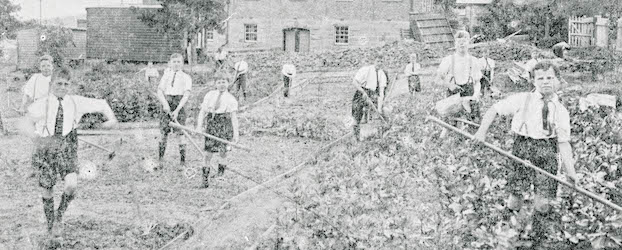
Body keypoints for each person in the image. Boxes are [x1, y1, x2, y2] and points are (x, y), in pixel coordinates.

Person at [473, 61, 577, 248]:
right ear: (533, 81)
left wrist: (571, 172)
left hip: (547, 153)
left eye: (549, 78)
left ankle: (537, 240)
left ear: (557, 80)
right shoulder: (522, 99)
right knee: (515, 198)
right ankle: (506, 234)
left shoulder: (561, 111)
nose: (545, 82)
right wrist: (481, 132)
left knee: (543, 203)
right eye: (540, 78)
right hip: (522, 149)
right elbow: (493, 110)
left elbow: (563, 143)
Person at [17, 67, 118, 237]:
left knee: (71, 184)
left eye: (66, 84)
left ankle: (59, 216)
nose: (62, 87)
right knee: (47, 189)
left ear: (69, 86)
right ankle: (50, 225)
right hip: (46, 147)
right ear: (52, 84)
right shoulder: (41, 104)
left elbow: (102, 104)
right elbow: (23, 124)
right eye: (59, 83)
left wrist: (112, 119)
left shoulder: (75, 101)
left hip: (68, 145)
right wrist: (35, 136)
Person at [435, 30, 483, 135]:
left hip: (469, 96)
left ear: (469, 43)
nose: (462, 43)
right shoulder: (448, 60)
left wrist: (475, 95)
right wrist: (449, 85)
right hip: (453, 97)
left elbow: (477, 82)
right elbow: (438, 79)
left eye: (464, 41)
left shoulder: (473, 61)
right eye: (459, 41)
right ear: (455, 43)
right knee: (449, 127)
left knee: (474, 126)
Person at [196, 72, 239, 188]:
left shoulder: (231, 99)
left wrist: (236, 134)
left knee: (223, 152)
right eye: (219, 82)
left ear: (228, 83)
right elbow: (202, 112)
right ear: (215, 83)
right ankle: (204, 180)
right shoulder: (209, 95)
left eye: (224, 82)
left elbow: (234, 118)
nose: (221, 85)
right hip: (212, 124)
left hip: (225, 125)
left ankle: (220, 175)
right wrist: (199, 126)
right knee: (207, 153)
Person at [156, 53, 192, 170]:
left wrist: (177, 110)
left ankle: (182, 162)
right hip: (166, 102)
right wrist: (165, 105)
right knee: (163, 133)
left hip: (179, 104)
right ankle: (160, 160)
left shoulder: (186, 77)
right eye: (174, 62)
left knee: (180, 133)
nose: (176, 64)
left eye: (178, 62)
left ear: (182, 64)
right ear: (170, 63)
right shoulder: (166, 76)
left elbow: (186, 95)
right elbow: (160, 91)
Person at [351, 56, 388, 141]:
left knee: (379, 113)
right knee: (357, 115)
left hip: (372, 94)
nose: (379, 63)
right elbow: (355, 82)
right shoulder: (366, 70)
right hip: (361, 93)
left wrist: (379, 108)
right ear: (374, 61)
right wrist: (363, 92)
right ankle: (356, 137)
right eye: (378, 61)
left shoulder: (382, 74)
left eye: (381, 61)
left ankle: (376, 136)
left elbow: (381, 93)